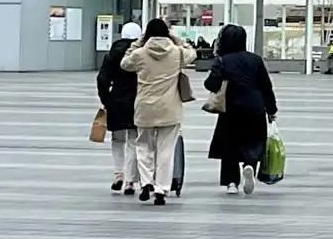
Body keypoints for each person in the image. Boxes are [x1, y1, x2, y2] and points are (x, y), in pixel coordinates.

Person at [118, 17, 189, 204]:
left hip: (144, 107)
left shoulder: (140, 54)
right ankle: (161, 189)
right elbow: (192, 53)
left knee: (143, 146)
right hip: (169, 108)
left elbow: (124, 63)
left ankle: (146, 182)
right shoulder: (177, 53)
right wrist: (176, 38)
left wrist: (139, 43)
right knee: (166, 150)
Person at [205, 24, 277, 195]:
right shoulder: (256, 59)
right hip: (255, 107)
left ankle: (231, 183)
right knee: (254, 141)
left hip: (231, 107)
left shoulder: (223, 60)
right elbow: (266, 86)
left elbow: (211, 84)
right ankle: (250, 165)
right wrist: (271, 109)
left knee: (229, 144)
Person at [96, 21, 142, 191]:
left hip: (115, 101)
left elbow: (102, 79)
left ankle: (118, 174)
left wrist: (106, 99)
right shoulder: (140, 53)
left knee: (117, 139)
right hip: (137, 100)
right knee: (133, 140)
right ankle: (130, 180)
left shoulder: (111, 55)